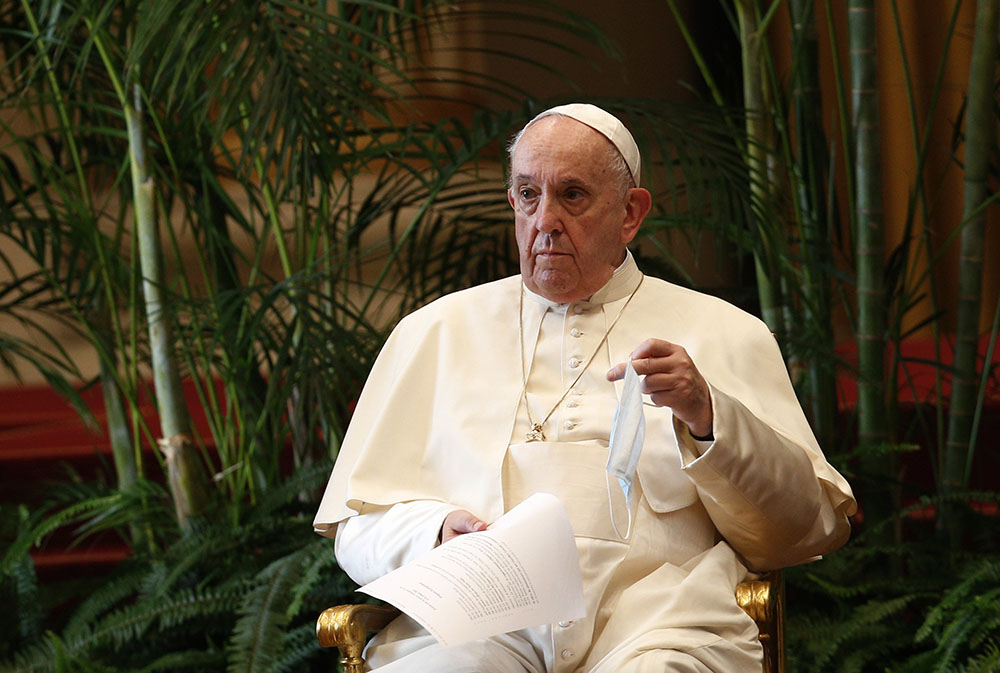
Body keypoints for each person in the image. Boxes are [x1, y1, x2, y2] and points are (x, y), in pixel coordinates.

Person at [314, 103, 857, 673]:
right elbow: (355, 528)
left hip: (661, 626)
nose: (545, 220)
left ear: (630, 212)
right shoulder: (434, 333)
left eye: (572, 195)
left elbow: (800, 531)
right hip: (478, 631)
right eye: (528, 195)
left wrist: (708, 416)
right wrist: (434, 532)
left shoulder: (724, 332)